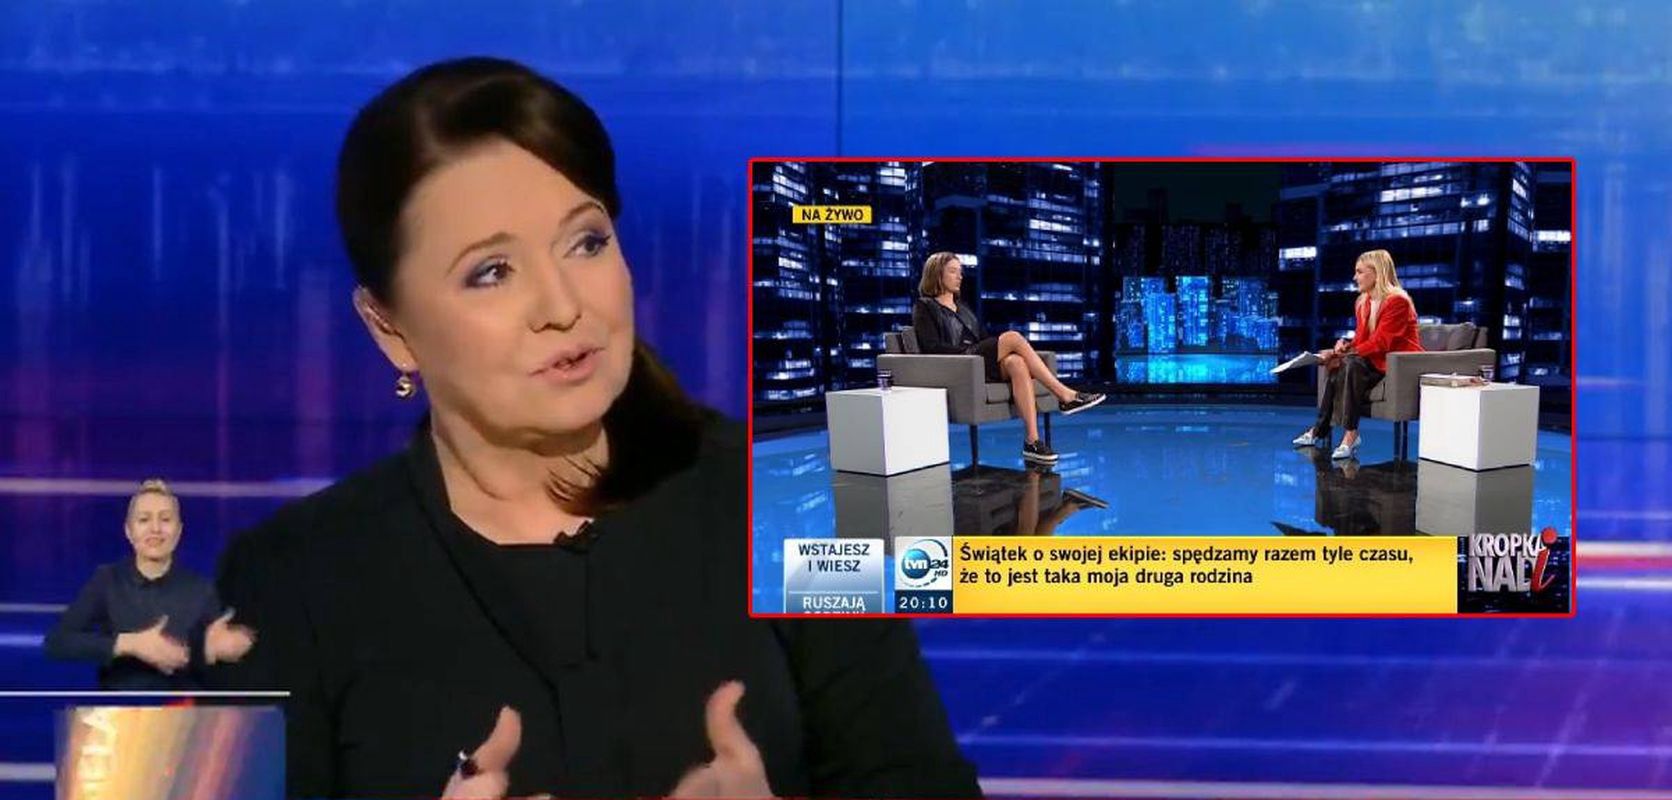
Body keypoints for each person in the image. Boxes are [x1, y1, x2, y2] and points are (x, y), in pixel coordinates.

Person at [210, 57, 979, 799]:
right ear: (389, 328)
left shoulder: (789, 503)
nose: (562, 305)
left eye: (586, 242)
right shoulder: (289, 585)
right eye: (491, 272)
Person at [44, 478, 255, 689]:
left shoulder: (201, 590)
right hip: (120, 708)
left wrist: (223, 649)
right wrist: (129, 644)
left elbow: (221, 660)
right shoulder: (108, 580)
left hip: (181, 707)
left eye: (165, 519)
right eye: (144, 519)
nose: (155, 528)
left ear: (179, 531)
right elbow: (57, 643)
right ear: (129, 531)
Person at [911, 251, 1105, 466]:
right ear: (937, 274)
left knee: (1016, 363)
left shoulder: (963, 308)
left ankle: (1032, 441)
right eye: (953, 271)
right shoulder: (925, 306)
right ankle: (1064, 395)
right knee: (1012, 337)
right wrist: (972, 352)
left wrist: (991, 349)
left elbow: (982, 338)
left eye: (960, 272)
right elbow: (931, 347)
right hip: (959, 364)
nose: (960, 276)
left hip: (977, 361)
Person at [1292, 249, 1424, 460]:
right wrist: (1344, 346)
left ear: (1377, 273)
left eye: (1360, 272)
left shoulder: (1398, 302)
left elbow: (1382, 342)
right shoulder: (1363, 302)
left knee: (1350, 364)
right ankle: (1322, 430)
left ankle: (1348, 434)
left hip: (1396, 365)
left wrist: (1344, 355)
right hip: (1372, 360)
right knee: (1338, 367)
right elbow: (1363, 340)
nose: (1355, 277)